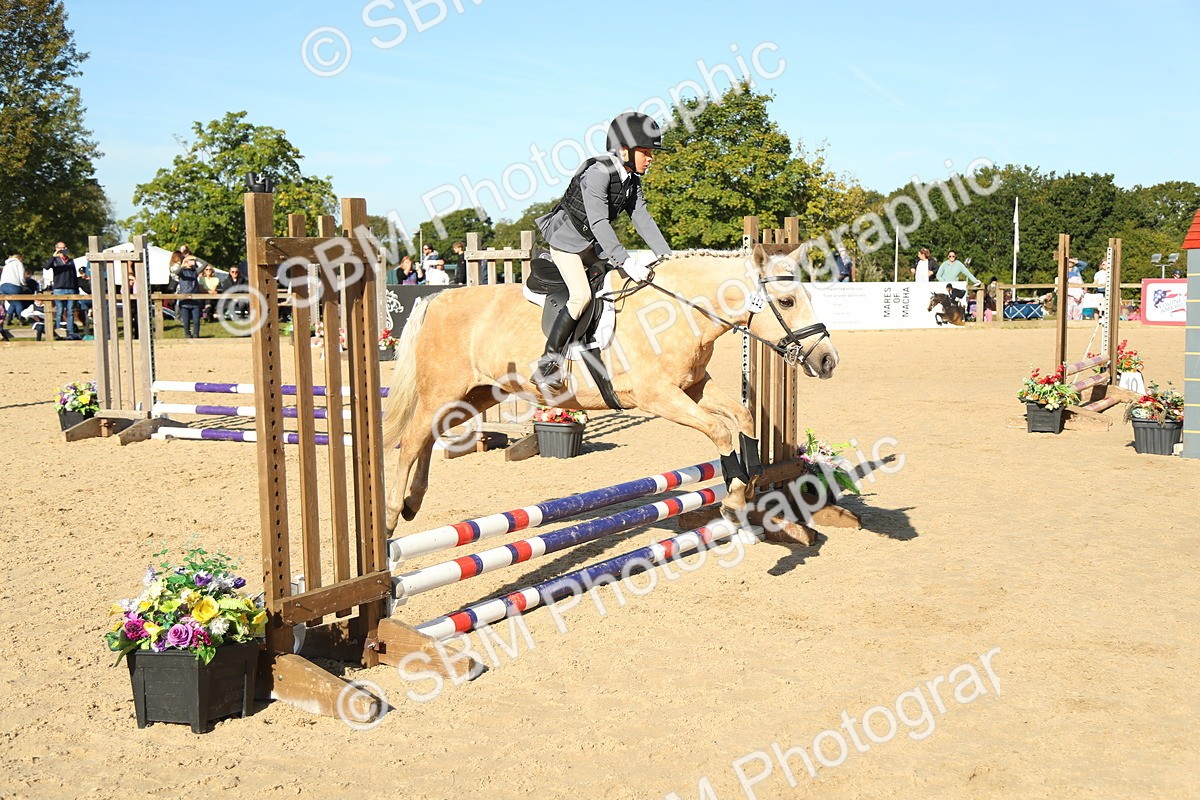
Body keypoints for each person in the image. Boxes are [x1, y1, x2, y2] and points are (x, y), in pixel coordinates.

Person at [533, 111, 672, 390]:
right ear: (624, 150)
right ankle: (547, 364)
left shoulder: (632, 181)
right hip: (566, 245)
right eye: (645, 151)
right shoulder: (598, 173)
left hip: (592, 247)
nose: (651, 157)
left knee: (614, 288)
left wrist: (668, 256)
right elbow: (598, 222)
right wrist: (625, 260)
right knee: (581, 295)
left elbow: (642, 219)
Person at [45, 242, 81, 339]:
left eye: (65, 247)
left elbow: (74, 276)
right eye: (61, 248)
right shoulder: (55, 260)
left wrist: (77, 290)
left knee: (70, 311)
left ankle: (70, 332)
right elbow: (46, 266)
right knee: (59, 311)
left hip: (71, 289)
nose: (63, 249)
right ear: (56, 248)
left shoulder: (71, 261)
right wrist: (54, 256)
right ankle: (58, 330)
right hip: (59, 288)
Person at [172, 253, 202, 338]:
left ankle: (196, 335)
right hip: (184, 299)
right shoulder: (182, 272)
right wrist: (183, 264)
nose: (192, 262)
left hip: (195, 299)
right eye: (190, 260)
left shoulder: (195, 272)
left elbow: (205, 264)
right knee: (186, 321)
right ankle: (187, 335)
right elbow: (176, 272)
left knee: (196, 320)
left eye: (193, 261)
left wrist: (196, 258)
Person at [2, 254, 26, 328]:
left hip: (3, 286)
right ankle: (21, 319)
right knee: (18, 302)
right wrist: (24, 285)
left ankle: (8, 319)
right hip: (13, 285)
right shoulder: (18, 263)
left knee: (13, 302)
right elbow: (21, 276)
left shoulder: (6, 265)